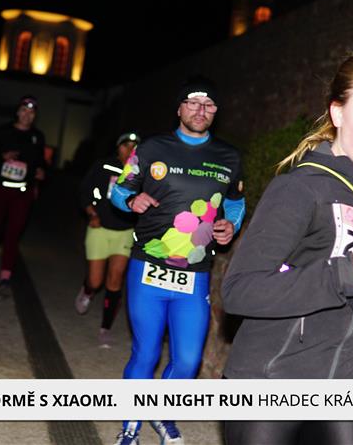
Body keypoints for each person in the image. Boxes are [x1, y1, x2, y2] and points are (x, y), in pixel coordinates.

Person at [222, 50, 353, 445]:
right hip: (273, 380)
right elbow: (238, 290)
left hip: (352, 383)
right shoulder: (300, 187)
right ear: (338, 113)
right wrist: (342, 275)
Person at [109, 76, 246, 445]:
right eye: (193, 103)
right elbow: (119, 190)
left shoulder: (229, 157)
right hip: (148, 268)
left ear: (215, 111)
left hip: (194, 274)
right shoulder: (153, 148)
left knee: (188, 360)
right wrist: (131, 200)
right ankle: (130, 426)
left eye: (209, 105)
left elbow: (235, 202)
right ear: (180, 108)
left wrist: (230, 225)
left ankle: (160, 410)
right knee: (146, 352)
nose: (200, 110)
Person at [74, 132, 141, 347]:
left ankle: (105, 328)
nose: (129, 150)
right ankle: (87, 290)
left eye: (134, 147)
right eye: (125, 145)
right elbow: (84, 191)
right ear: (118, 147)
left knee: (115, 279)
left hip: (125, 231)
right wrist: (91, 213)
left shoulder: (143, 172)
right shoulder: (103, 166)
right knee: (96, 281)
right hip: (99, 228)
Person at [0, 95, 46, 297]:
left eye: (32, 112)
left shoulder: (37, 137)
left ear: (35, 116)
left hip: (22, 192)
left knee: (13, 233)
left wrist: (40, 175)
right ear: (18, 112)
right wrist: (2, 157)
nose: (27, 115)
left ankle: (5, 276)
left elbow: (40, 162)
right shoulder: (3, 131)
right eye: (24, 111)